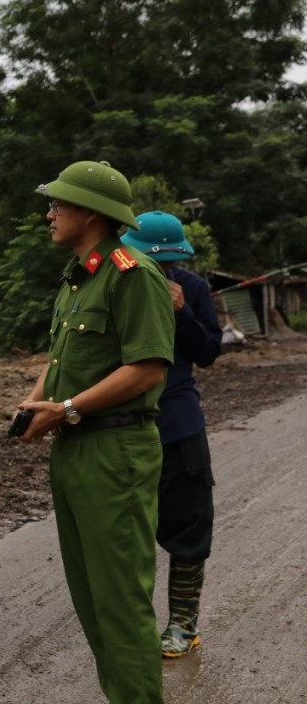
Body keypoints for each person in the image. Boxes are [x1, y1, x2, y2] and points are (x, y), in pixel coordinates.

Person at [14, 161, 174, 704]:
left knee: (121, 600)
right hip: (76, 448)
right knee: (91, 595)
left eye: (59, 204)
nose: (49, 213)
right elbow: (61, 363)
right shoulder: (79, 277)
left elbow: (148, 366)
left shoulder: (134, 274)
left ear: (90, 213)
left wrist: (72, 407)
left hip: (116, 450)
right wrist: (38, 406)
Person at [121, 211, 222, 658]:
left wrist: (181, 311)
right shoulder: (117, 282)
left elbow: (209, 352)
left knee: (188, 528)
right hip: (122, 424)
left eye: (166, 265)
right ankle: (132, 622)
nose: (159, 271)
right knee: (128, 532)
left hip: (178, 423)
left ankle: (183, 622)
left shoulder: (194, 288)